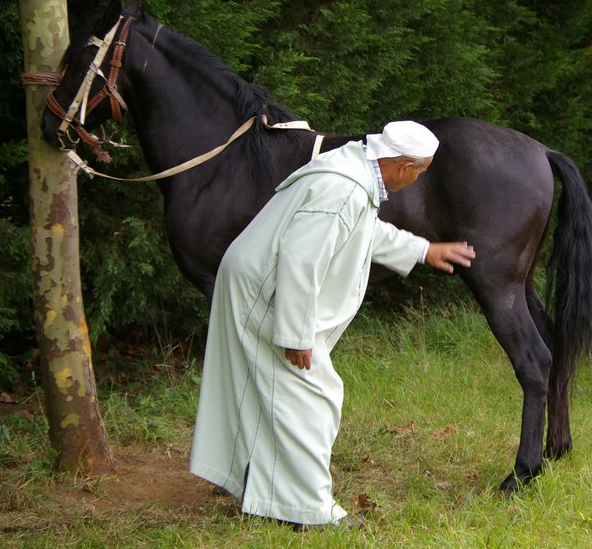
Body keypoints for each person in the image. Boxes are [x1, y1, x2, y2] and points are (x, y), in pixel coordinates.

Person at [189, 120, 476, 529]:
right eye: (421, 171)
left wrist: (421, 249)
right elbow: (301, 261)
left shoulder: (353, 172)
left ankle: (257, 483)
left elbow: (360, 231)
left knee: (272, 390)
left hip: (256, 279)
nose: (418, 180)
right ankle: (309, 510)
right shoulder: (344, 187)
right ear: (404, 166)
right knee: (312, 397)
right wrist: (295, 334)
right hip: (267, 292)